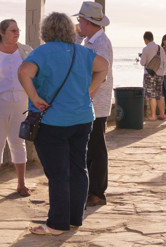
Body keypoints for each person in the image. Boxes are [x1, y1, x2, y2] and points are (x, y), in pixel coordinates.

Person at [18, 12, 108, 234]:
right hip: (82, 119)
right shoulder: (83, 52)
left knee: (58, 173)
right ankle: (74, 218)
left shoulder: (42, 52)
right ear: (70, 30)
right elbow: (103, 66)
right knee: (78, 168)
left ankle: (57, 224)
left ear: (46, 30)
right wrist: (89, 90)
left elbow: (23, 72)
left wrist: (35, 97)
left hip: (53, 122)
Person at [0, 18, 33, 198]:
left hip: (21, 103)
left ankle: (21, 183)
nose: (17, 33)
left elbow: (36, 75)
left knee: (18, 142)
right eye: (13, 30)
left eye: (18, 30)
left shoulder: (26, 51)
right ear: (2, 32)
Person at [74, 1, 113, 207]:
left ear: (87, 21)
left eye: (80, 20)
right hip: (92, 102)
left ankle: (98, 191)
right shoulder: (91, 40)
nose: (78, 23)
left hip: (95, 103)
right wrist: (79, 35)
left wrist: (87, 97)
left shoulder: (100, 43)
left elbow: (101, 73)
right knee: (92, 147)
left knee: (96, 148)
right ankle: (92, 189)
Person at [139, 31, 162, 120]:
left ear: (145, 40)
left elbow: (142, 63)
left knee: (151, 95)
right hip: (160, 74)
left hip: (149, 74)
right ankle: (162, 114)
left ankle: (153, 116)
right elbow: (163, 61)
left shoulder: (146, 49)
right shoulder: (160, 48)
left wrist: (142, 57)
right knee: (159, 95)